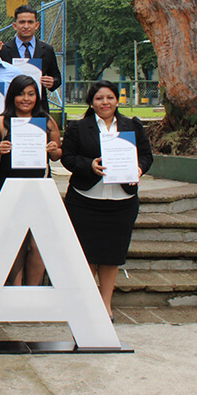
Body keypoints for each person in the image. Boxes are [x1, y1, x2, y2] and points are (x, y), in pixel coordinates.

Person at [61, 80, 153, 319]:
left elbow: (146, 155)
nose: (105, 102)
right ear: (91, 102)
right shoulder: (78, 128)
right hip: (85, 200)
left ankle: (105, 305)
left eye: (110, 98)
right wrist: (89, 165)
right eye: (99, 98)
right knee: (86, 254)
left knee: (112, 255)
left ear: (117, 100)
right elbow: (67, 158)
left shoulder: (131, 126)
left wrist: (139, 169)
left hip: (121, 201)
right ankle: (87, 303)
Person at [0, 75, 62, 286]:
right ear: (12, 96)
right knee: (14, 242)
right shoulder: (0, 122)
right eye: (21, 93)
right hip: (10, 188)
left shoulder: (47, 121)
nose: (26, 99)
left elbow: (58, 155)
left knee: (39, 242)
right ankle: (15, 288)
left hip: (39, 187)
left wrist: (54, 149)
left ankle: (33, 289)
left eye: (31, 94)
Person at [0, 4, 62, 112]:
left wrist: (52, 82)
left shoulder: (47, 50)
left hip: (39, 107)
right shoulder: (3, 51)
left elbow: (57, 77)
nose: (26, 26)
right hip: (12, 107)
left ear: (36, 25)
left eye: (30, 22)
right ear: (15, 25)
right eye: (22, 22)